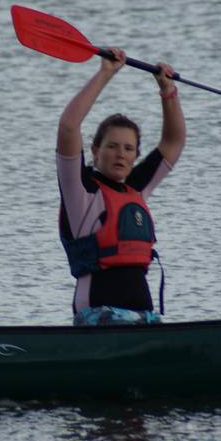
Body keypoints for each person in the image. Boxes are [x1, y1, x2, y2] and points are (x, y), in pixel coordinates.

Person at [57, 48, 186, 325]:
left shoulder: (137, 189)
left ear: (136, 156)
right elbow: (69, 126)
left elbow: (173, 142)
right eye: (112, 146)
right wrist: (106, 73)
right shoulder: (81, 191)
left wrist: (168, 91)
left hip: (144, 320)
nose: (120, 154)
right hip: (97, 319)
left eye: (128, 148)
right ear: (95, 150)